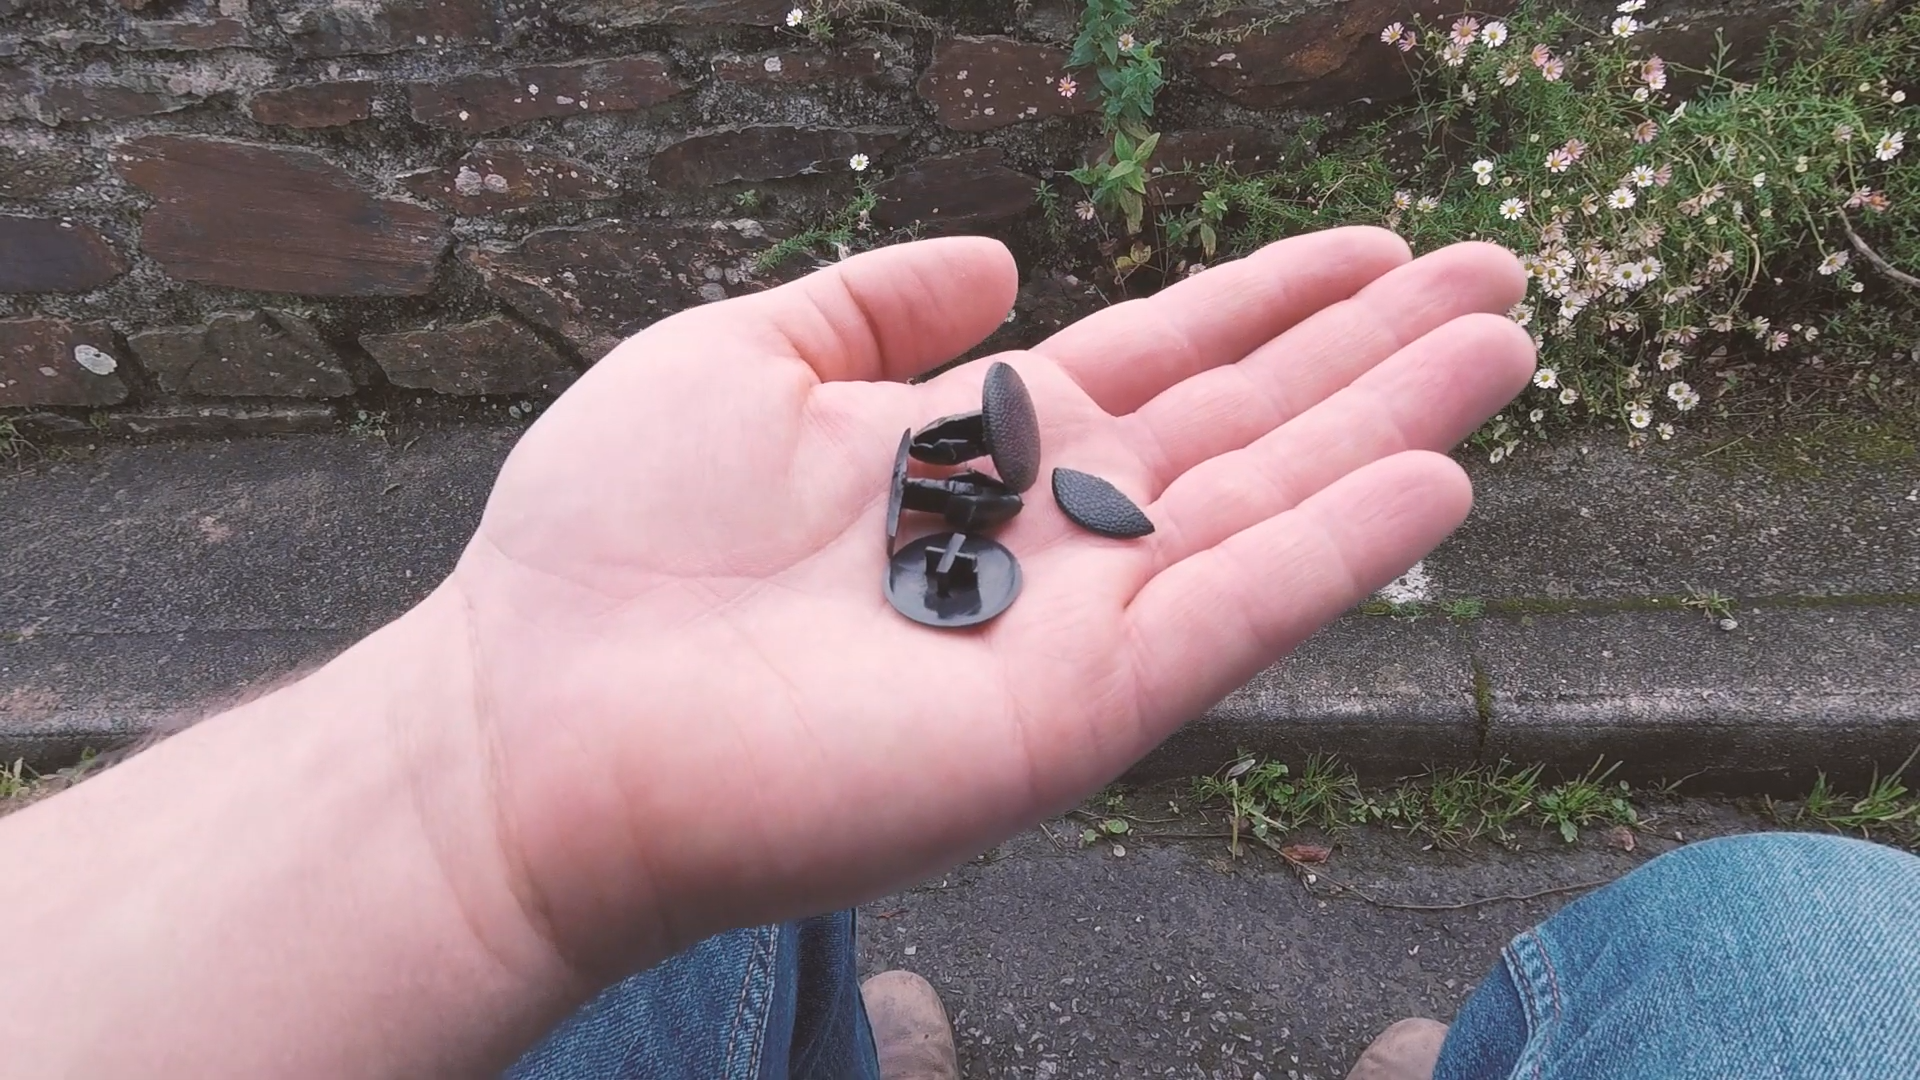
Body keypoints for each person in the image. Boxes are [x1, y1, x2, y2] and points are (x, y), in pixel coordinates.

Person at [0, 229, 1913, 1079]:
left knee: (701, 937)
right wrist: (486, 759)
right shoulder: (945, 495)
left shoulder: (960, 493)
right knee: (1797, 942)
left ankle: (822, 1053)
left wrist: (464, 768)